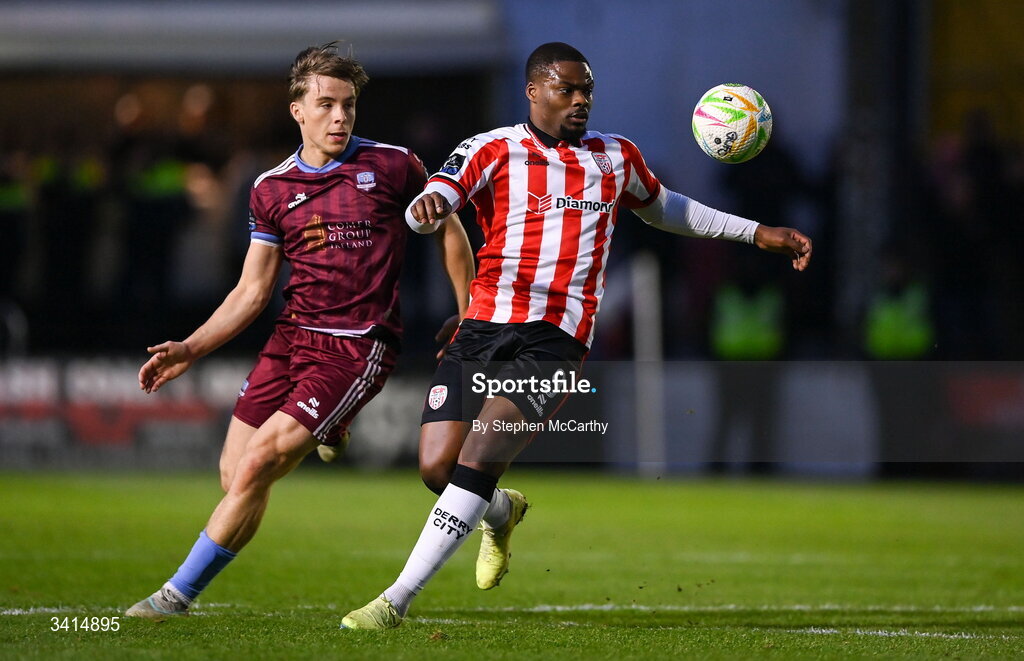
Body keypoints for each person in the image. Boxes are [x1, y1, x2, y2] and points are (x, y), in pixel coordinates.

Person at [340, 42, 812, 629]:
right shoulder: (493, 148)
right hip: (482, 326)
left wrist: (757, 232)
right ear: (534, 91)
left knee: (479, 458)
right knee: (438, 469)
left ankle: (394, 601)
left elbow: (665, 208)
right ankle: (500, 513)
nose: (581, 100)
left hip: (556, 341)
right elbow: (434, 199)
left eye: (587, 89)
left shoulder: (615, 157)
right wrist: (428, 207)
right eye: (568, 89)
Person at [125, 43, 474, 620]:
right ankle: (333, 429)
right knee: (235, 475)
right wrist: (189, 347)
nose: (340, 117)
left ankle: (173, 597)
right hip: (291, 339)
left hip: (358, 345)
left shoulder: (393, 167)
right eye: (327, 105)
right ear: (298, 111)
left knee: (259, 464)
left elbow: (449, 229)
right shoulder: (271, 189)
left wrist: (467, 315)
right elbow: (251, 292)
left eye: (349, 105)